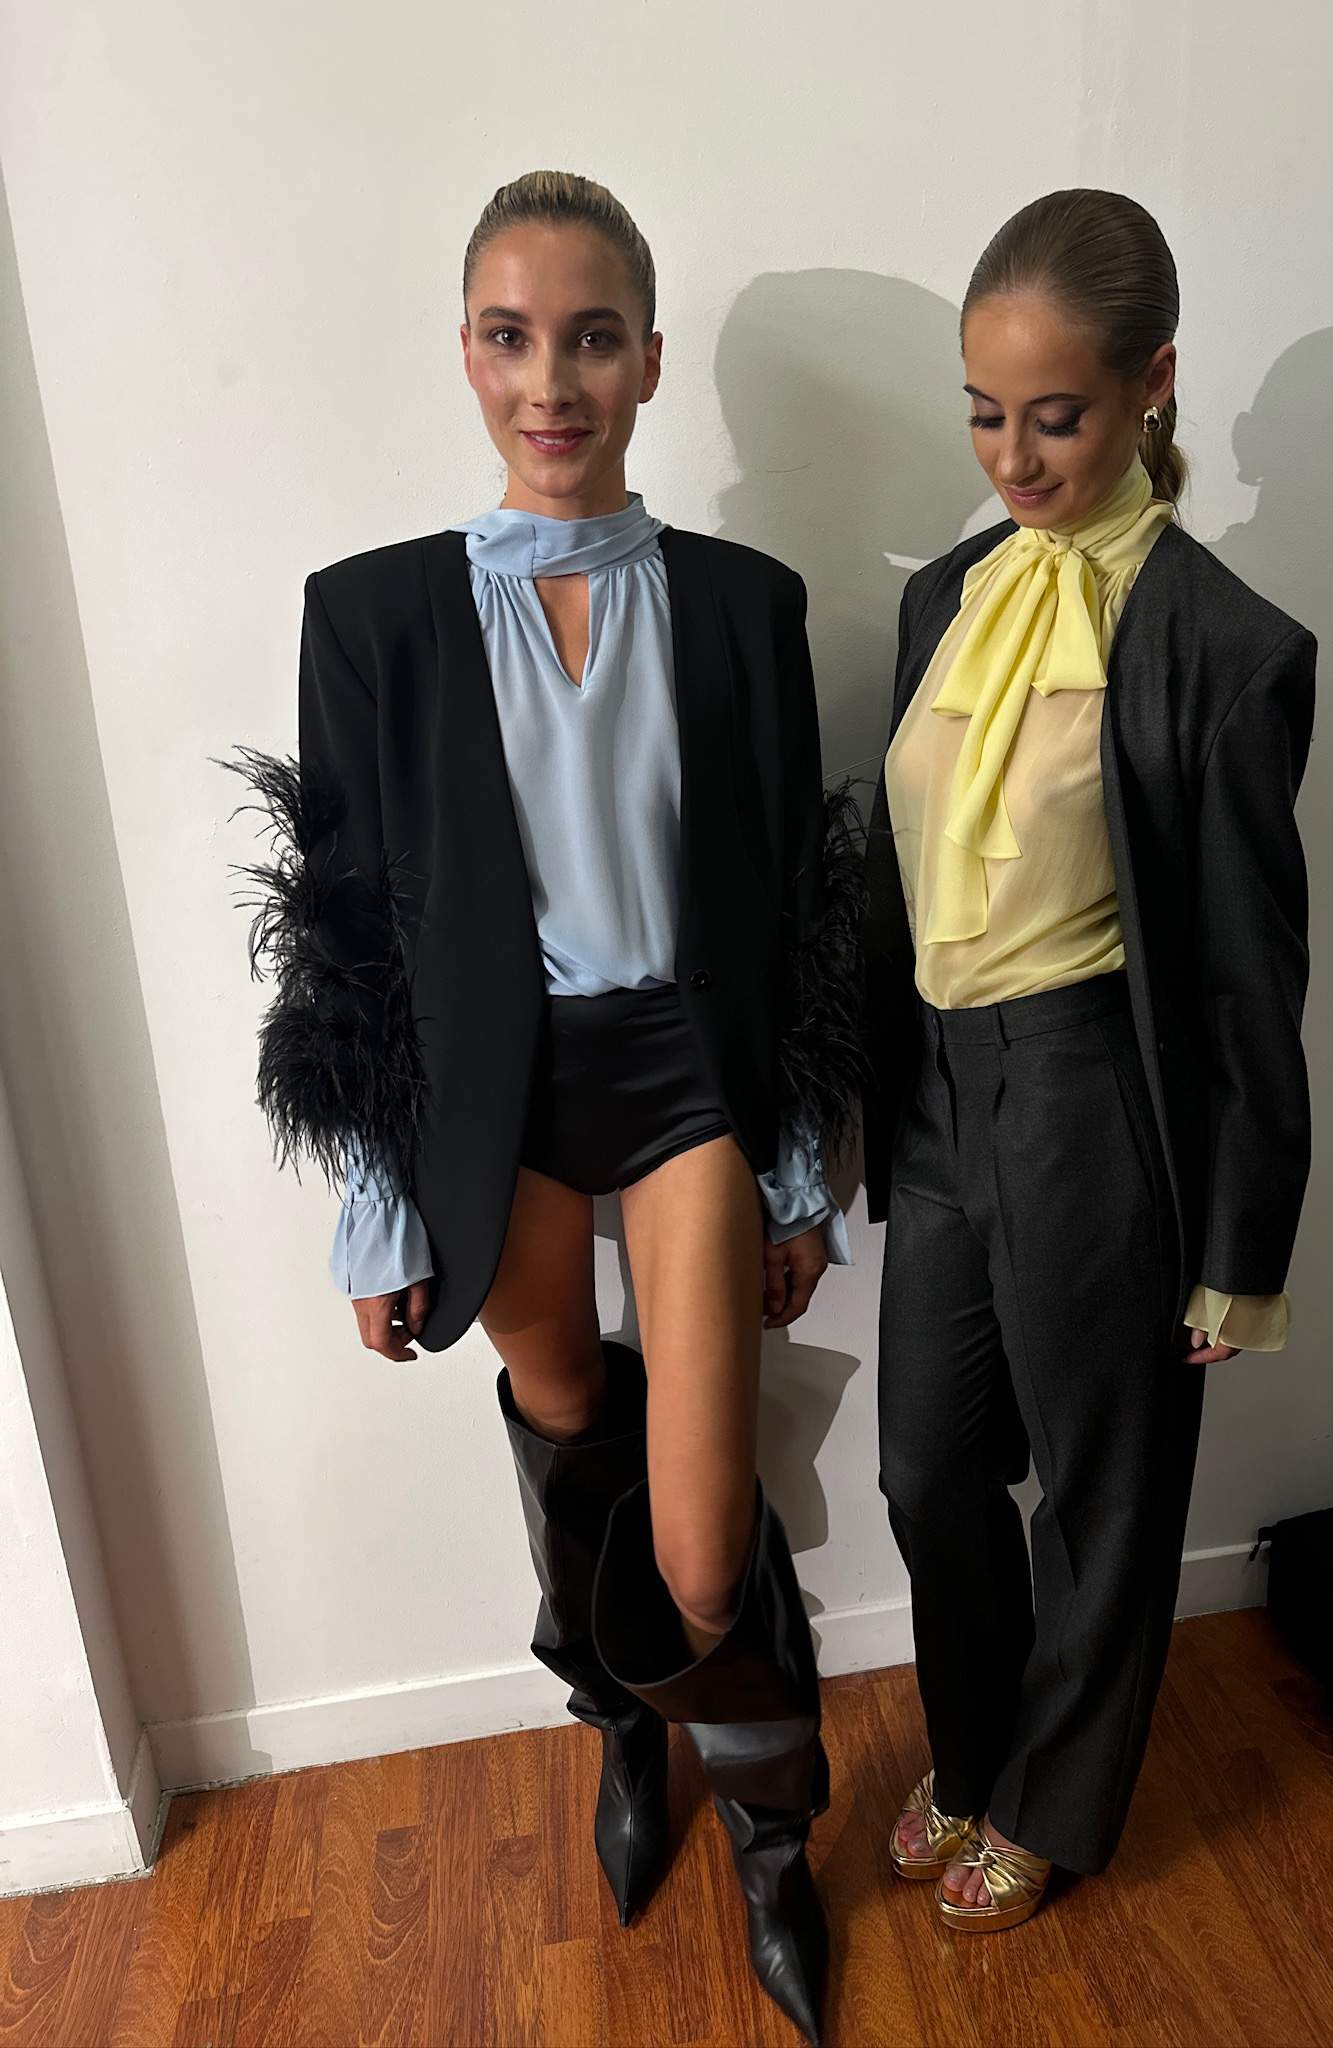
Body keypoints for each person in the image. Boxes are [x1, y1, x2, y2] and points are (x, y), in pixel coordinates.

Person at [225, 171, 861, 2044]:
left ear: (650, 360)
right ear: (467, 355)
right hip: (490, 1105)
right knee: (567, 1429)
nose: (551, 380)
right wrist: (374, 1207)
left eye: (591, 338)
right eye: (511, 337)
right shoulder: (375, 617)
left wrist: (798, 1170)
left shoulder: (744, 606)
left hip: (684, 1088)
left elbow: (793, 908)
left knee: (700, 1541)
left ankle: (771, 1830)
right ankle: (621, 1724)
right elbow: (342, 940)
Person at [860, 188, 1317, 1932]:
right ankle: (974, 1749)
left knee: (1102, 1491)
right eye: (985, 412)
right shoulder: (945, 597)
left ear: (1153, 384)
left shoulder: (1226, 648)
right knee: (926, 1470)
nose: (1013, 458)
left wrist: (1240, 1246)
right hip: (937, 1094)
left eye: (1054, 415)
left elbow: (1251, 979)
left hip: (1086, 1100)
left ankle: (1053, 1802)